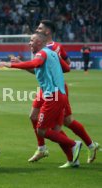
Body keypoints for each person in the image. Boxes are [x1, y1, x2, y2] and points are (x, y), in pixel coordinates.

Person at [0, 32, 82, 168]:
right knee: (51, 127)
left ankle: (73, 144)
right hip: (59, 94)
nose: (29, 43)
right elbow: (66, 68)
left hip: (52, 95)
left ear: (39, 42)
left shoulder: (42, 53)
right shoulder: (52, 54)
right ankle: (72, 159)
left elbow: (37, 62)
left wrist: (11, 65)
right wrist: (51, 70)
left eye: (32, 40)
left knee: (42, 131)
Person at [27, 20, 99, 166]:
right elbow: (36, 70)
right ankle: (42, 148)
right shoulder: (37, 45)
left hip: (56, 89)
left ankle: (87, 147)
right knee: (33, 116)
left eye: (40, 28)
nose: (37, 29)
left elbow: (67, 66)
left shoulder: (55, 48)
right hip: (44, 88)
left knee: (65, 123)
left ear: (47, 32)